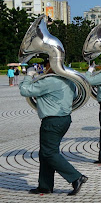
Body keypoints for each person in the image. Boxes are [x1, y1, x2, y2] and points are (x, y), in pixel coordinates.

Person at [19, 57, 88, 195]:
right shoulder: (69, 80)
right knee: (45, 153)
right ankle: (45, 186)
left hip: (52, 121)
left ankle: (76, 177)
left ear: (51, 65)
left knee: (49, 153)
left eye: (45, 66)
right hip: (64, 119)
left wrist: (29, 75)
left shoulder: (49, 80)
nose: (44, 69)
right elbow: (74, 96)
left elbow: (25, 91)